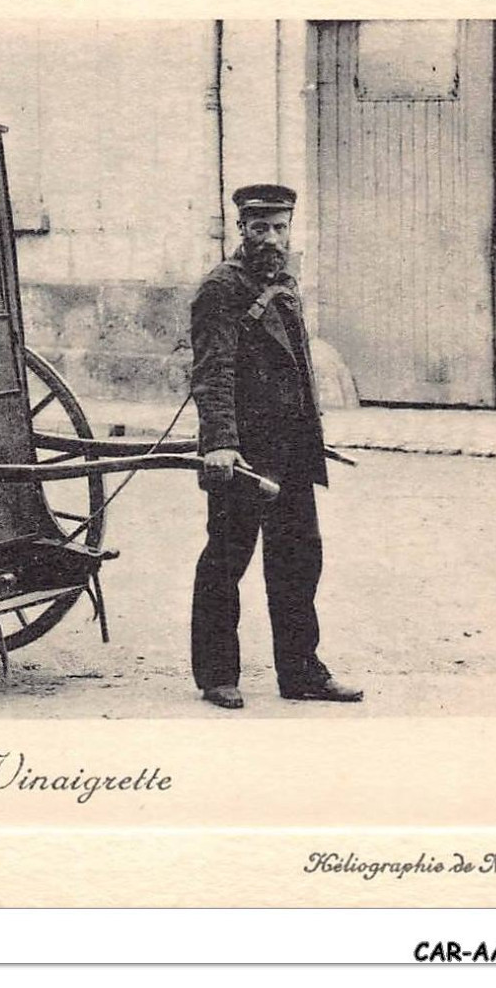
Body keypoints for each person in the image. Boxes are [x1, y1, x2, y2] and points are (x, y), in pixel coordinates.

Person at [188, 184, 363, 709]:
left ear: (290, 229)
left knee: (297, 559)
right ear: (241, 228)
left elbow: (297, 366)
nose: (271, 237)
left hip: (291, 448)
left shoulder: (285, 283)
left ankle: (301, 671)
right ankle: (217, 674)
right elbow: (211, 372)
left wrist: (313, 433)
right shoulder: (220, 288)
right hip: (244, 453)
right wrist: (220, 443)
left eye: (279, 227)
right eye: (259, 227)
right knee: (227, 558)